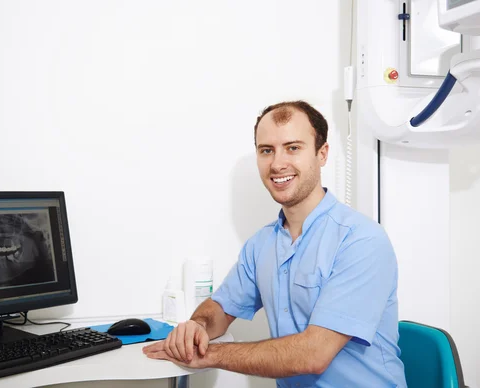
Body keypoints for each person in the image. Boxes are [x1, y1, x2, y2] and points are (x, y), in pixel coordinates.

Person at [143, 100, 407, 387]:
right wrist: (198, 326)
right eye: (266, 150)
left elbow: (312, 355)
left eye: (293, 147)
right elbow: (220, 307)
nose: (278, 163)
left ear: (322, 154)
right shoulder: (261, 245)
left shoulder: (361, 240)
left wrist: (209, 355)